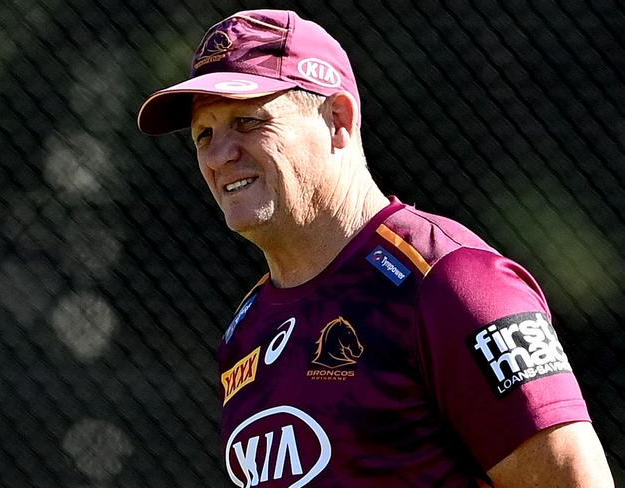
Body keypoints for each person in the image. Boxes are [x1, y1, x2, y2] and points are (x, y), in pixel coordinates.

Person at [137, 9, 614, 487]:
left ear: (338, 120)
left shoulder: (451, 283)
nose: (221, 155)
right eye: (205, 135)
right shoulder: (246, 330)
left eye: (248, 120)